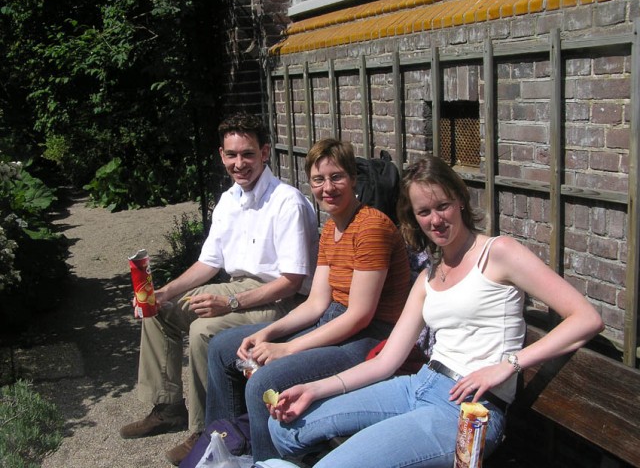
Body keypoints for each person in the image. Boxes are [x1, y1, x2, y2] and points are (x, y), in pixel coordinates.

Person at [266, 155, 604, 467]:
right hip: (418, 386)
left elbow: (586, 319)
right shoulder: (430, 275)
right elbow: (386, 361)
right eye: (424, 212)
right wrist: (314, 389)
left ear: (460, 200)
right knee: (285, 426)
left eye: (443, 206)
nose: (436, 220)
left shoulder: (498, 253)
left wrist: (508, 365)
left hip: (468, 410)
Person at [119, 112, 319, 466]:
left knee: (203, 330)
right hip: (237, 289)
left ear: (265, 152)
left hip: (279, 300)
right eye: (231, 155)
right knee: (158, 314)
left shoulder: (287, 202)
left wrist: (229, 302)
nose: (239, 163)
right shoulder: (229, 199)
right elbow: (208, 264)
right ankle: (167, 407)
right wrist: (164, 293)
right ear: (221, 155)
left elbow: (290, 282)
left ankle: (205, 430)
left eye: (247, 154)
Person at [203, 139, 412, 462]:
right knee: (221, 348)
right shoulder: (331, 227)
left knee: (264, 381)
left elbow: (359, 315)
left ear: (354, 179)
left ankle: (269, 461)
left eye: (337, 177)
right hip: (333, 320)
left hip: (372, 338)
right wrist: (267, 334)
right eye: (318, 179)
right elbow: (316, 303)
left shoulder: (371, 227)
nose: (327, 187)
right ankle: (227, 446)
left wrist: (286, 349)